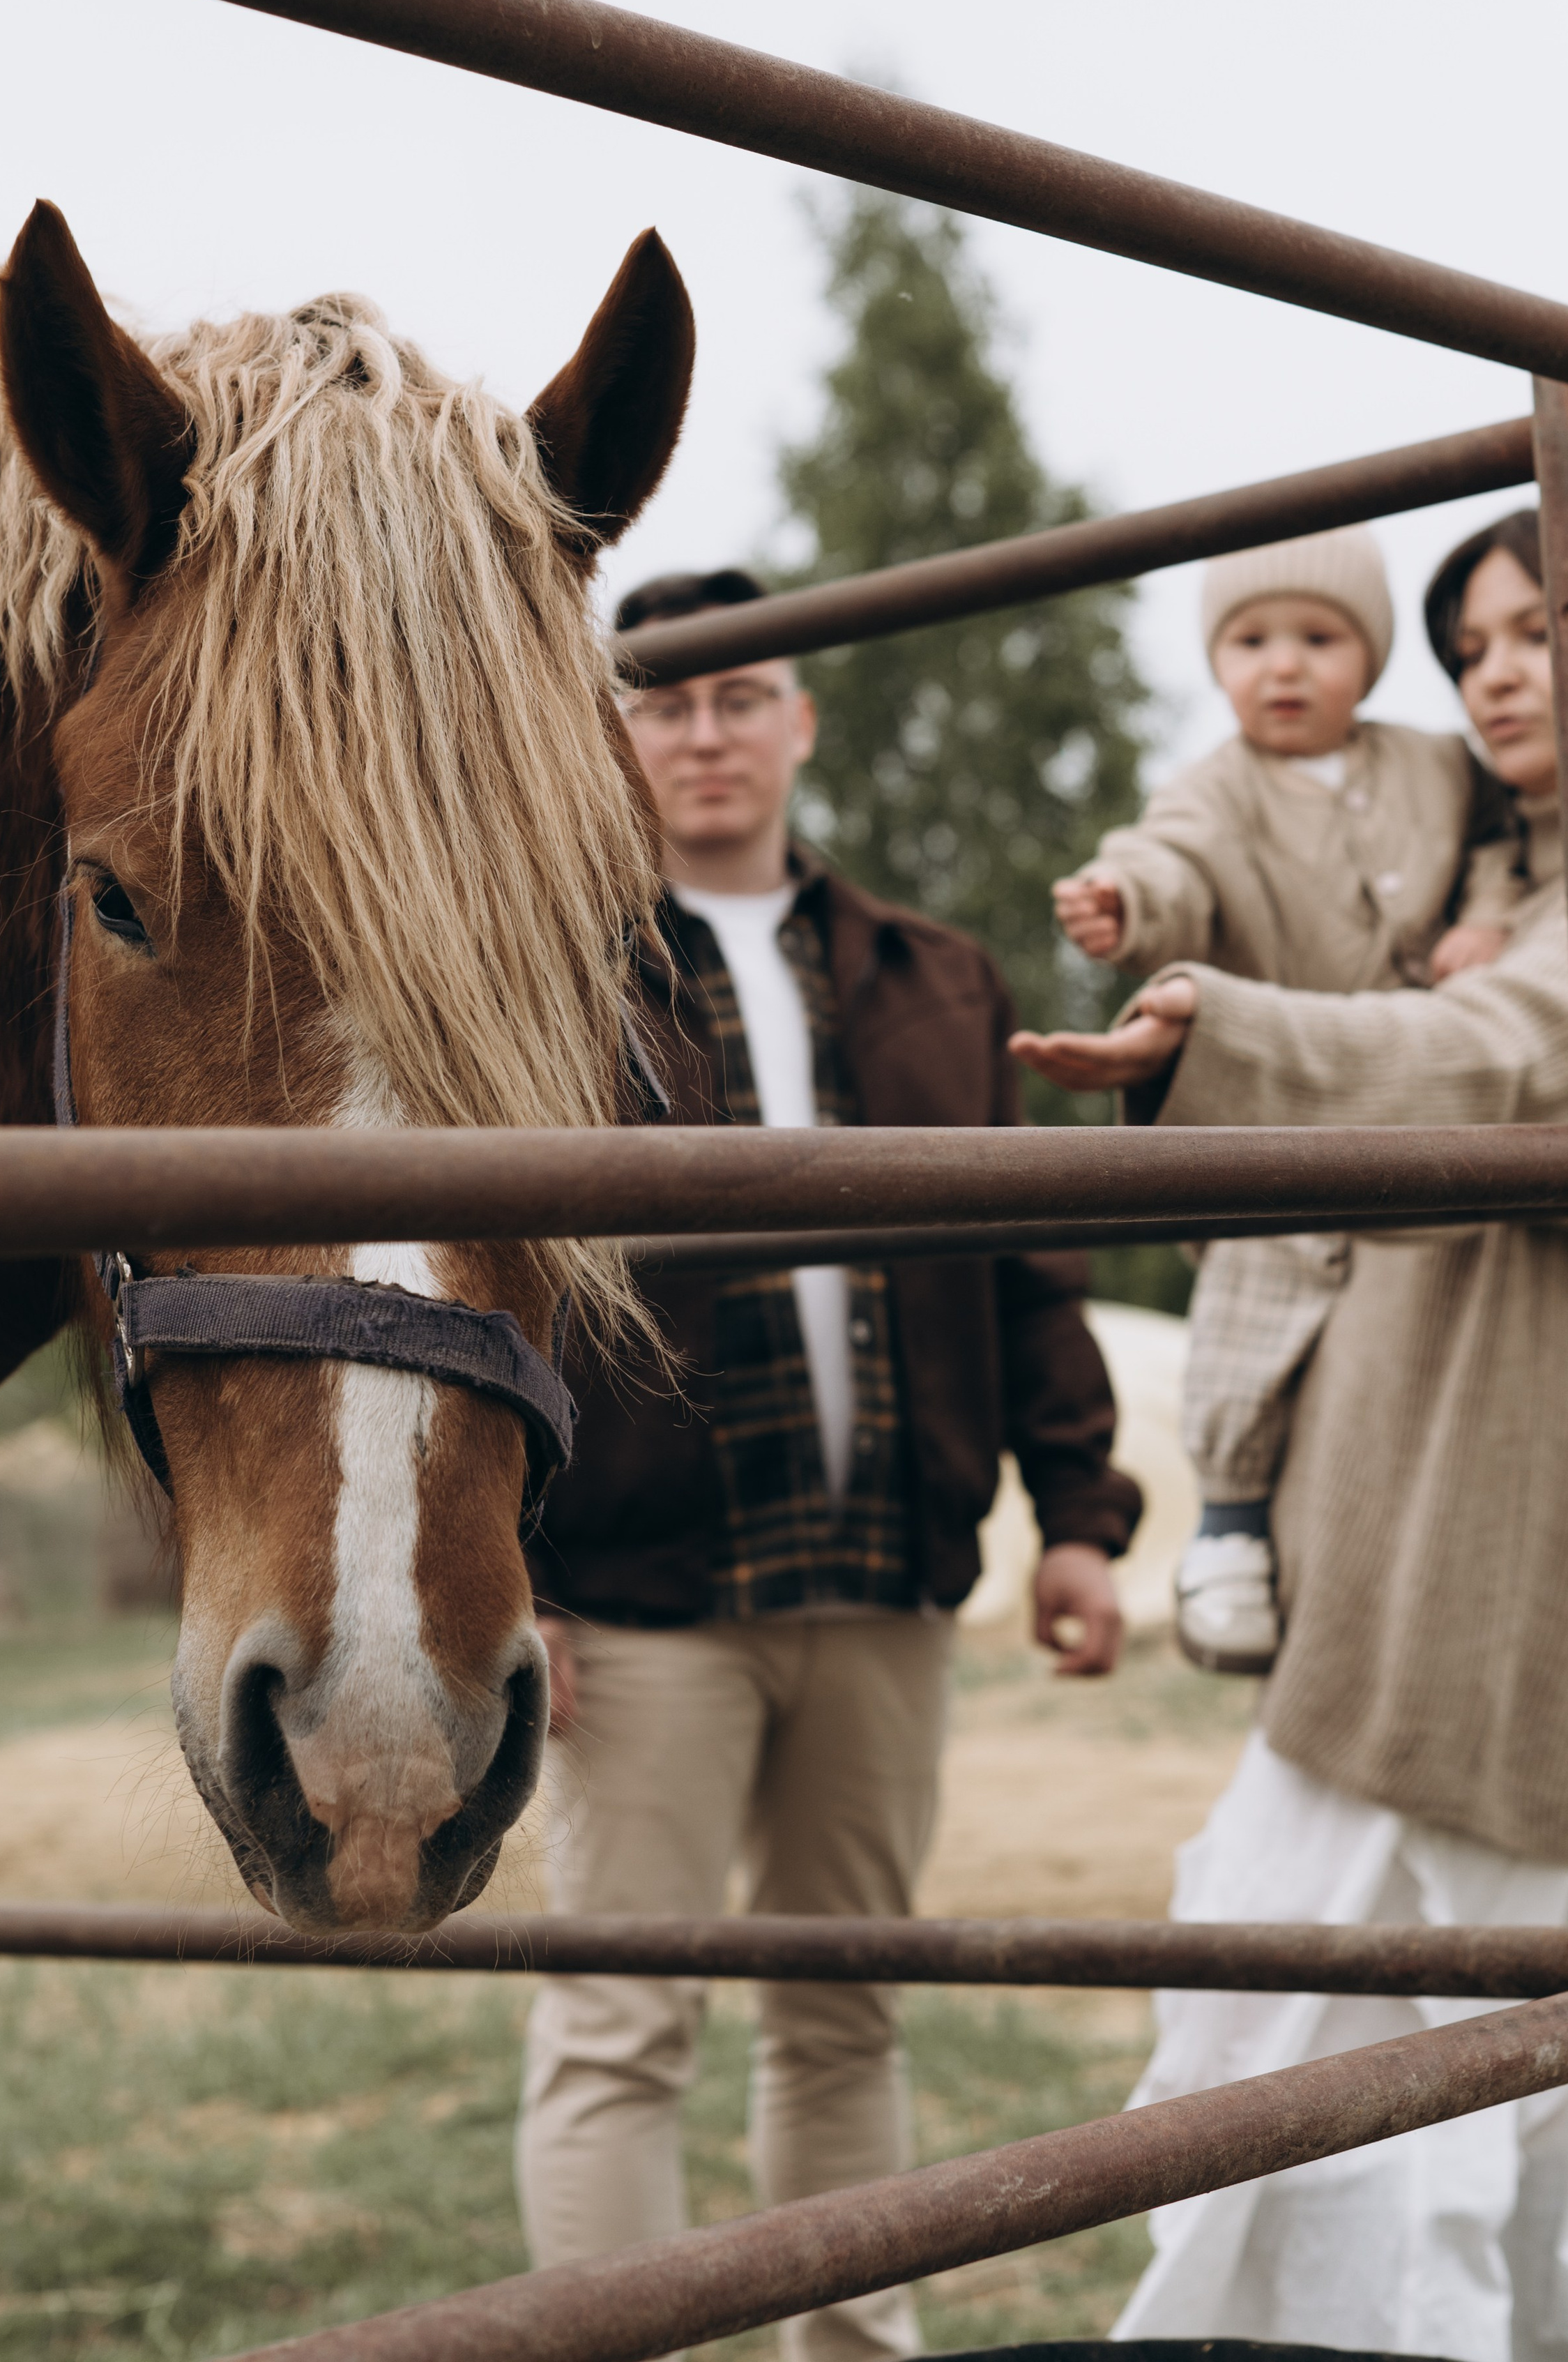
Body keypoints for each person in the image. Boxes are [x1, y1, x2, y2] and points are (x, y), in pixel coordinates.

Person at [1015, 509, 1568, 2360]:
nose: (1504, 674)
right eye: (1474, 650)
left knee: (1420, 2055)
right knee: (1372, 2025)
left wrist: (1214, 1035)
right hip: (1417, 1538)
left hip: (1510, 1559)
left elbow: (1511, 1064)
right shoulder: (1505, 866)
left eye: (1550, 628)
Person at [515, 568, 1141, 2362]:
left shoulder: (935, 977)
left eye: (740, 696)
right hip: (636, 1602)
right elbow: (485, 1274)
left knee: (844, 2014)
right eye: (664, 702)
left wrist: (1079, 1522)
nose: (703, 734)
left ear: (801, 720)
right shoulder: (543, 974)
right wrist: (508, 1569)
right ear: (614, 732)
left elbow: (1031, 1272)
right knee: (622, 2025)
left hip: (880, 1574)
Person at [1052, 526, 1524, 1674]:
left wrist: (1494, 918)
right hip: (1277, 1106)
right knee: (1247, 1316)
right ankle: (1228, 1528)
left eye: (1318, 639)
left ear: (1369, 658)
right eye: (1252, 641)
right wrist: (1128, 901)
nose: (1284, 667)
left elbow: (1514, 839)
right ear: (1218, 663)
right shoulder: (1217, 788)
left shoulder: (1437, 764)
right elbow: (1174, 860)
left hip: (1418, 1097)